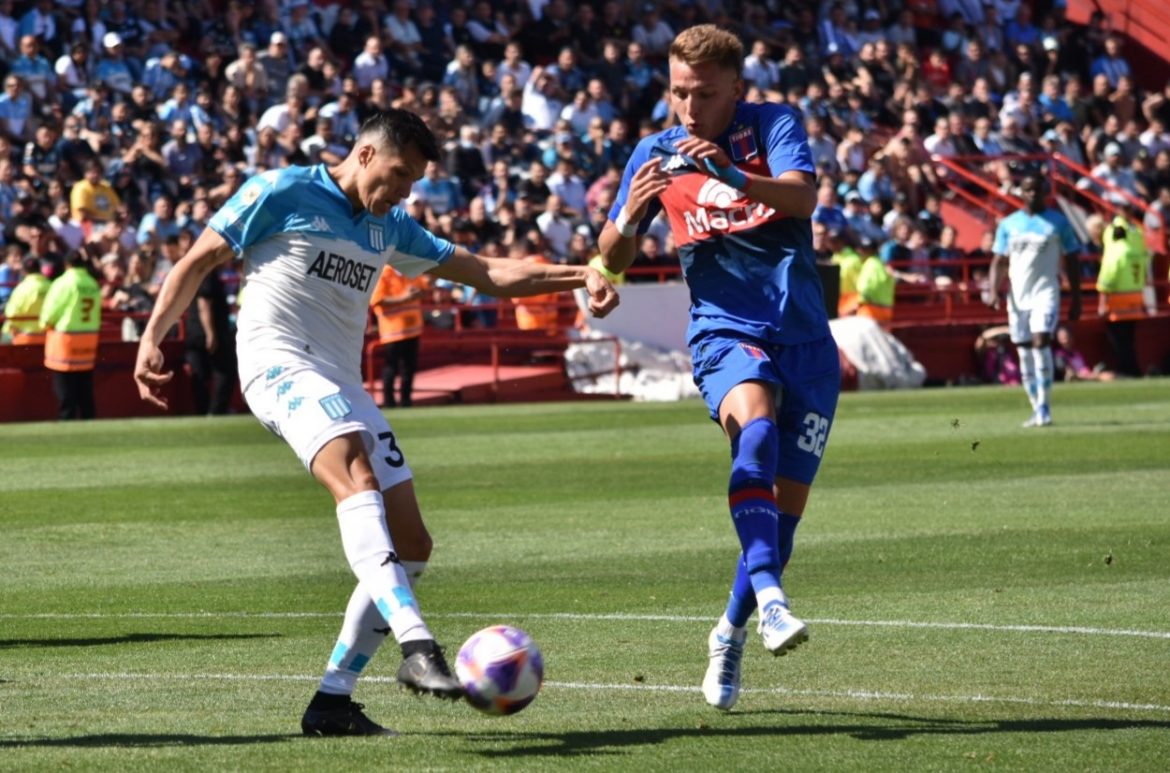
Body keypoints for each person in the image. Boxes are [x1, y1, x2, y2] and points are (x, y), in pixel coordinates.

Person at [132, 109, 618, 736]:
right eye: (398, 175)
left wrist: (584, 274)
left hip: (339, 382)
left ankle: (332, 701)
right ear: (364, 155)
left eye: (413, 181)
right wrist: (153, 337)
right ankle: (419, 649)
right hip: (277, 365)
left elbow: (489, 273)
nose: (404, 192)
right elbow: (197, 260)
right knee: (357, 477)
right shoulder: (282, 191)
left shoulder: (388, 226)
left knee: (412, 540)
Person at [597, 25, 839, 712]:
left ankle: (730, 629)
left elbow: (800, 198)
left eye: (704, 93)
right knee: (754, 427)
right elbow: (610, 256)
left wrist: (728, 174)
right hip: (724, 330)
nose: (688, 107)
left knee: (782, 523)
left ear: (737, 88)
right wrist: (637, 211)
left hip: (807, 341)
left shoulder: (774, 125)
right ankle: (770, 600)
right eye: (678, 92)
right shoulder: (654, 151)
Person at [987, 174, 1082, 427]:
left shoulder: (1058, 223)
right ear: (1020, 192)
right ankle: (1034, 405)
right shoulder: (1008, 224)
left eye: (1037, 190)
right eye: (1027, 190)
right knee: (1023, 349)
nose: (1032, 194)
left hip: (1046, 291)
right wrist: (994, 290)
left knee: (1041, 341)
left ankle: (1045, 406)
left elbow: (1072, 259)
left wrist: (1076, 297)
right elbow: (998, 260)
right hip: (1017, 295)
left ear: (1044, 192)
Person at [40, 251, 102, 420]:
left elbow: (50, 312)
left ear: (66, 265)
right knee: (85, 394)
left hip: (65, 343)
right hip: (88, 342)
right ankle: (90, 428)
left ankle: (66, 429)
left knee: (66, 395)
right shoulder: (92, 283)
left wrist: (44, 324)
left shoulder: (63, 283)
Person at [1095, 205, 1151, 377]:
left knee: (1119, 341)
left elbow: (1106, 279)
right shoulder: (1137, 252)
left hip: (1117, 304)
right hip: (1135, 299)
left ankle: (1128, 370)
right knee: (1129, 339)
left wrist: (1103, 303)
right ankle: (1132, 369)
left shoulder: (1116, 254)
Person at [370, 264, 428, 408]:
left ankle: (406, 402)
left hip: (413, 329)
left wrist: (417, 292)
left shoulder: (412, 270)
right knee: (391, 367)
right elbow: (377, 300)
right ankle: (389, 402)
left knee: (409, 367)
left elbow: (424, 289)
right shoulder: (385, 273)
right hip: (393, 331)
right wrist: (404, 298)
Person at [184, 261, 237, 415]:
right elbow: (204, 304)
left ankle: (204, 412)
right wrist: (210, 333)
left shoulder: (198, 274)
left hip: (194, 332)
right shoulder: (208, 274)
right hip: (208, 333)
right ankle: (216, 411)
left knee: (200, 375)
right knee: (225, 372)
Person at [2, 256, 50, 344]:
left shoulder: (21, 289)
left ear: (23, 272)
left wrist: (7, 330)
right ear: (40, 269)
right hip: (48, 337)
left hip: (25, 339)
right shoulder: (52, 287)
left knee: (4, 338)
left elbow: (12, 315)